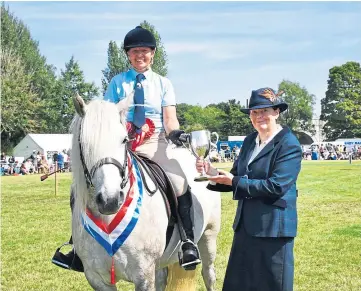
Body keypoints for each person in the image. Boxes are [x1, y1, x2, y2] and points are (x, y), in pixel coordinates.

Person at [52, 25, 200, 272]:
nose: (139, 55)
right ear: (128, 55)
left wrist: (176, 133)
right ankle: (77, 247)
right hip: (122, 143)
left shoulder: (163, 84)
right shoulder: (117, 82)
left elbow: (170, 119)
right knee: (78, 190)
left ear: (152, 54)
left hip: (154, 141)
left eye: (144, 51)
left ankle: (186, 242)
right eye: (134, 52)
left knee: (179, 181)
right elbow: (106, 118)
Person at [196, 87, 302, 291]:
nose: (259, 116)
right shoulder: (249, 141)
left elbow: (276, 186)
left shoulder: (288, 144)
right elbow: (236, 174)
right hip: (246, 227)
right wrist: (211, 171)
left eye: (265, 111)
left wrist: (234, 181)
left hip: (273, 230)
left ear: (276, 112)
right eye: (254, 112)